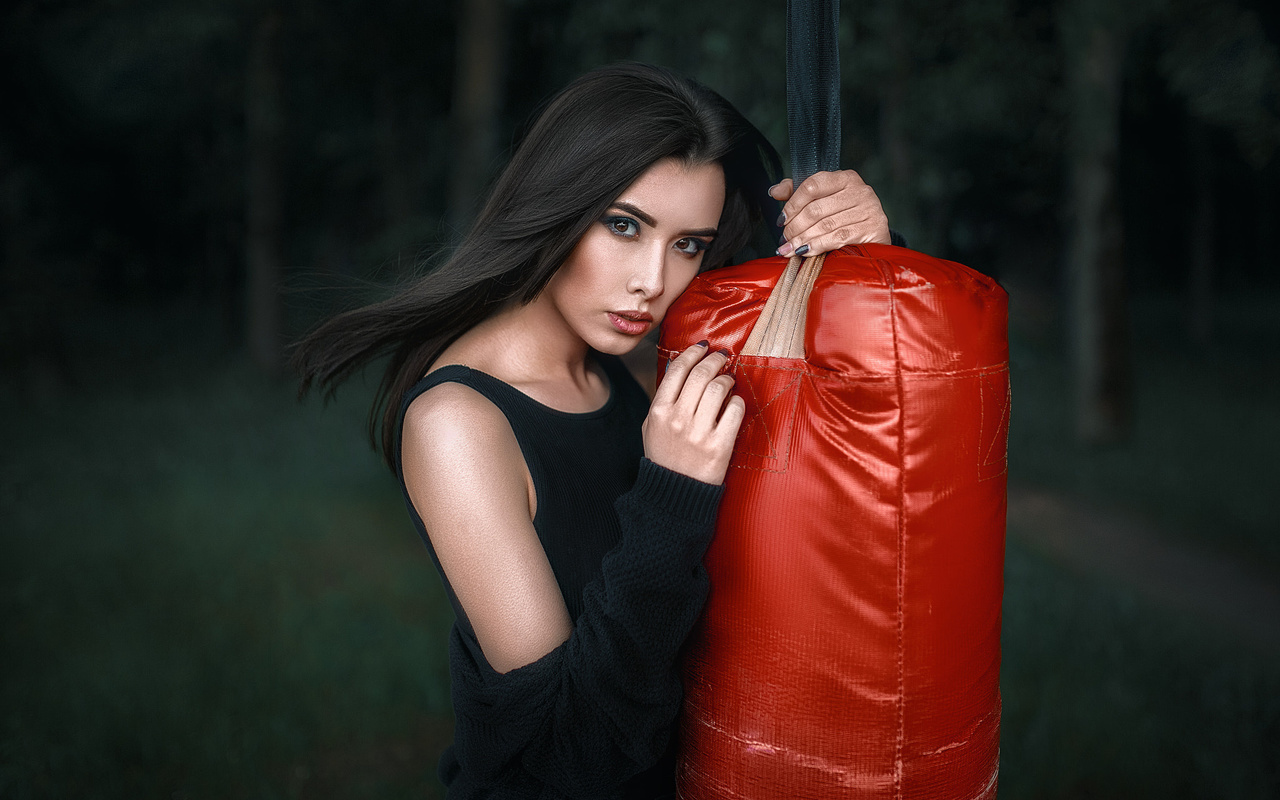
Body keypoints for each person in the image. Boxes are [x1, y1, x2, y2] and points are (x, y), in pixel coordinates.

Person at [293, 62, 892, 799]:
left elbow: (826, 368)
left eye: (688, 244)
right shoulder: (459, 425)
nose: (653, 280)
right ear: (557, 205)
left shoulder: (637, 373)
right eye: (623, 225)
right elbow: (569, 756)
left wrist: (861, 244)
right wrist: (670, 492)